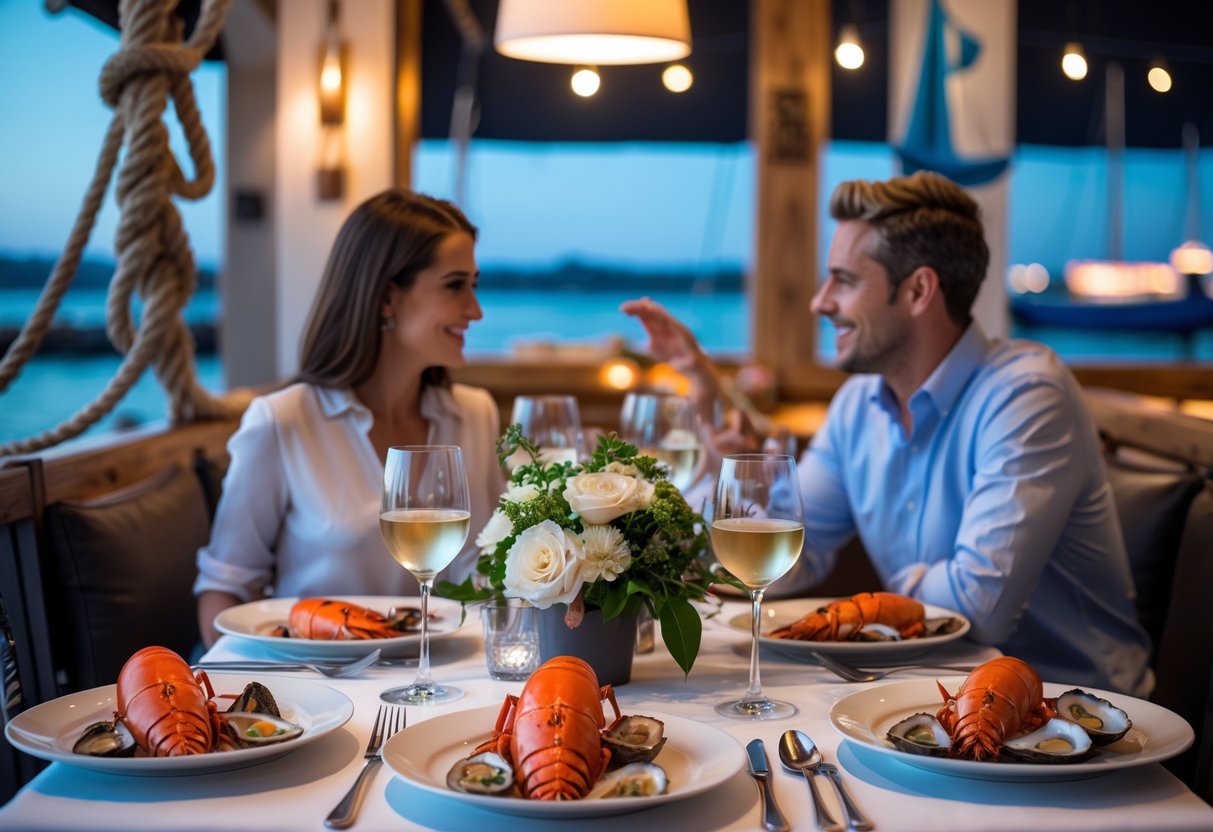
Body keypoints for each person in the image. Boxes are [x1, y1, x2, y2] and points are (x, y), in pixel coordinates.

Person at [623, 171, 1152, 697]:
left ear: (919, 289)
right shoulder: (858, 405)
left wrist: (880, 601)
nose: (820, 302)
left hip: (1082, 723)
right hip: (927, 699)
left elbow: (973, 612)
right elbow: (790, 560)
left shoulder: (1027, 395)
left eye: (844, 281)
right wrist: (721, 490)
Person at [194, 190, 504, 646]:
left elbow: (497, 571)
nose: (475, 310)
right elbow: (224, 591)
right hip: (319, 686)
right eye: (455, 285)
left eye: (474, 285)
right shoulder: (282, 422)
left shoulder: (476, 415)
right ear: (385, 299)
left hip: (453, 682)